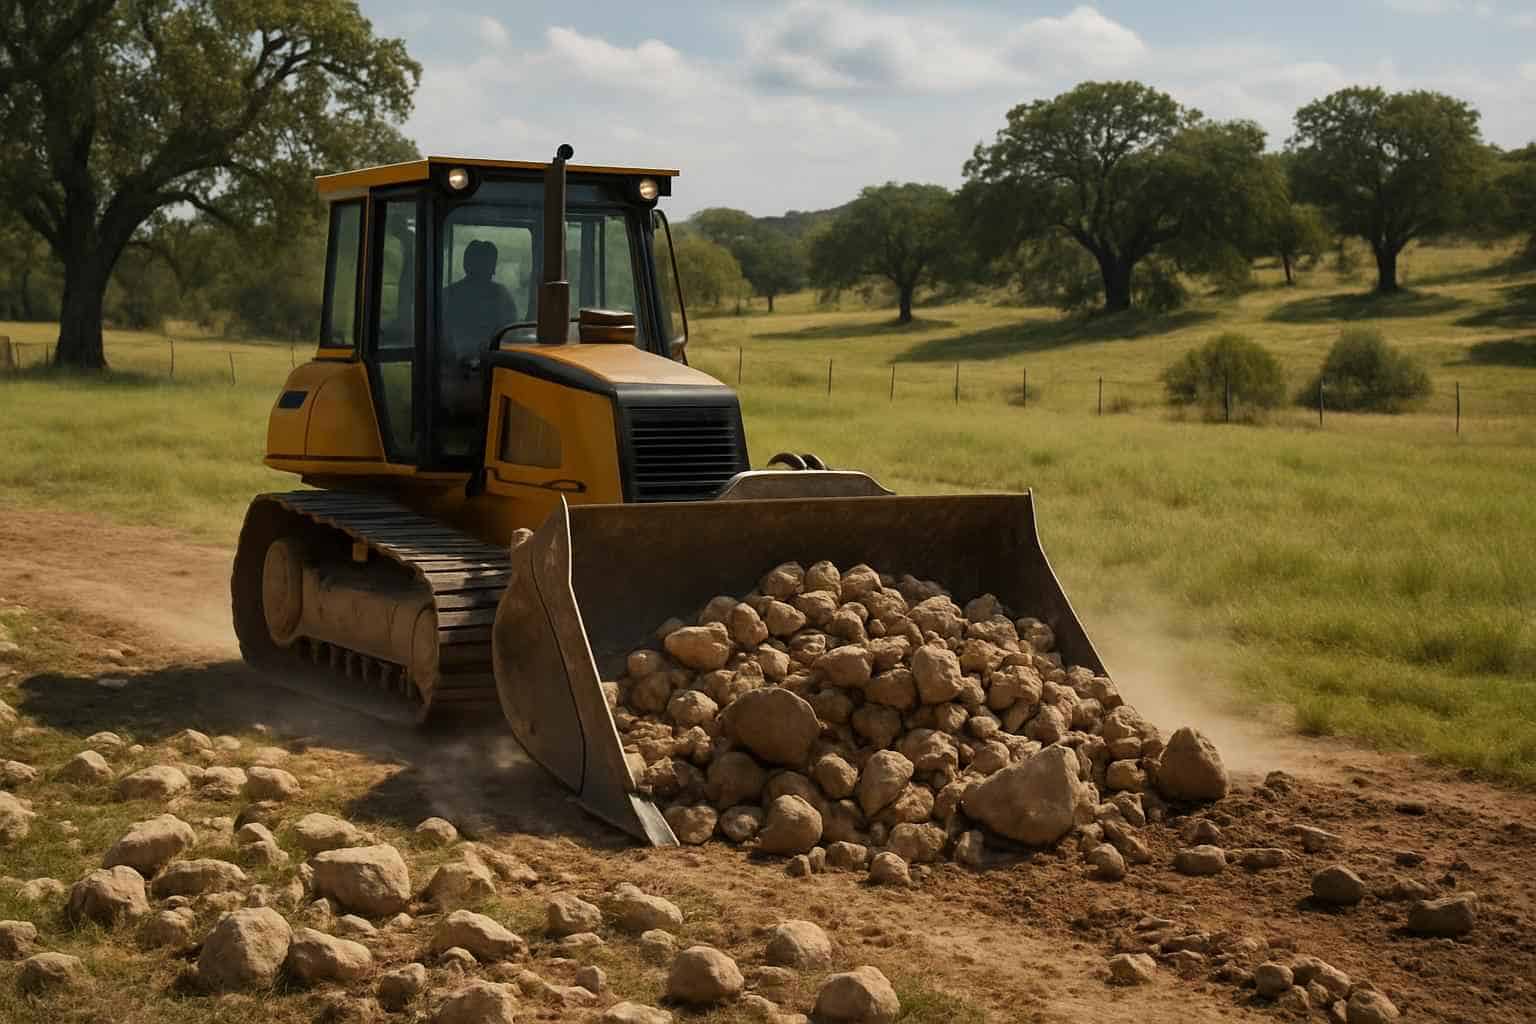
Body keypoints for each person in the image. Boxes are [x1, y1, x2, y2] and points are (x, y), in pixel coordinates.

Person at [440, 239, 518, 416]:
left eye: (486, 263)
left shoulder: (448, 294)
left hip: (482, 370)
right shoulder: (500, 296)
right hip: (459, 372)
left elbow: (510, 335)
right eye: (480, 263)